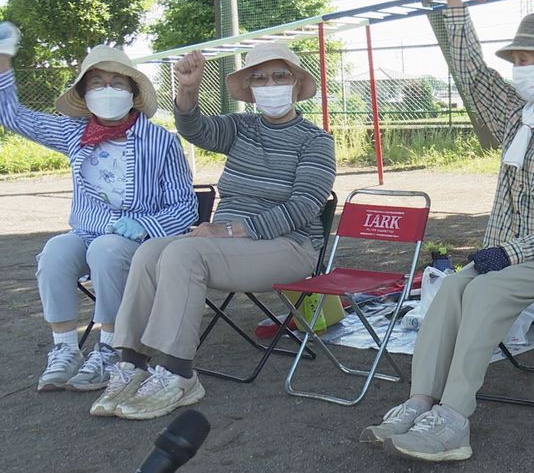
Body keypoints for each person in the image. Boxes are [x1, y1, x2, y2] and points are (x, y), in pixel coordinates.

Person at [359, 0, 534, 462]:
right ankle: (420, 401)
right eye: (515, 60)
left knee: (487, 291)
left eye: (526, 60)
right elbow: (470, 71)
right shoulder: (519, 115)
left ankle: (454, 420)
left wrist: (509, 253)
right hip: (505, 256)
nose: (517, 69)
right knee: (451, 289)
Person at [91, 44, 337, 421]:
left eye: (280, 76)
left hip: (289, 246)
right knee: (150, 251)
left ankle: (178, 374)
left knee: (184, 253)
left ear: (297, 84)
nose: (269, 85)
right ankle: (131, 363)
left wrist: (231, 229)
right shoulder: (241, 128)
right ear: (249, 89)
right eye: (259, 78)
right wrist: (188, 89)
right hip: (229, 246)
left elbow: (304, 206)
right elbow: (195, 128)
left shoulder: (316, 142)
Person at [0, 23, 197, 393]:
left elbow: (185, 207)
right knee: (55, 252)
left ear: (133, 93)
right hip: (87, 231)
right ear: (84, 94)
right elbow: (14, 117)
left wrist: (145, 225)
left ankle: (111, 349)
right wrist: (3, 60)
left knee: (106, 250)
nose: (107, 90)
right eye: (97, 83)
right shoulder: (73, 133)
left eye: (117, 83)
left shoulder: (161, 142)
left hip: (139, 242)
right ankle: (65, 348)